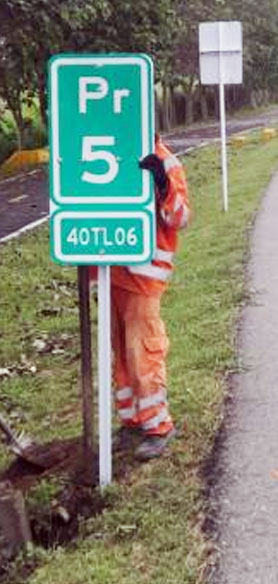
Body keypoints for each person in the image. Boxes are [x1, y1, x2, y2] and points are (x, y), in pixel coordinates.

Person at [111, 133, 190, 460]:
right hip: (110, 272)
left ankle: (159, 426)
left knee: (143, 351)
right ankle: (131, 422)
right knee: (122, 355)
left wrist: (161, 183)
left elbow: (181, 218)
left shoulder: (163, 158)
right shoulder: (108, 148)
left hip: (144, 276)